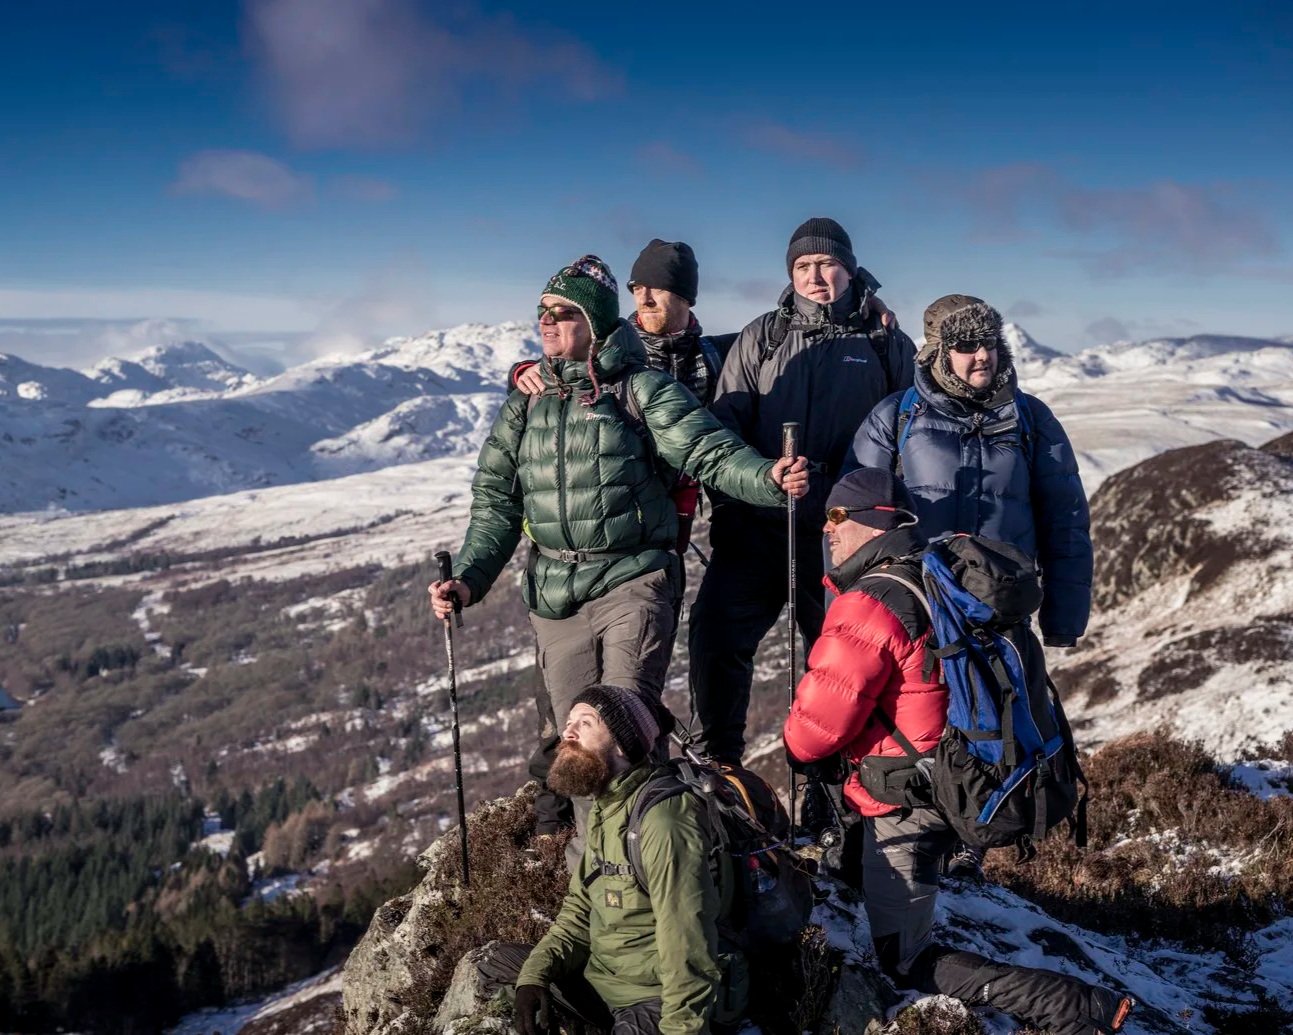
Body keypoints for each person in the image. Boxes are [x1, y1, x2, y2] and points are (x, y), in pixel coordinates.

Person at [430, 254, 809, 852]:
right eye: (542, 311)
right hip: (555, 596)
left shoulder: (642, 388)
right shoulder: (526, 403)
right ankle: (596, 872)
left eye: (563, 311)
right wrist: (470, 579)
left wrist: (767, 478)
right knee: (575, 748)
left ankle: (661, 863)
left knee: (619, 728)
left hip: (633, 580)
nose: (547, 321)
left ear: (595, 321)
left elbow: (708, 451)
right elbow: (496, 502)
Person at [782, 469, 1134, 1035]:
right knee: (856, 876)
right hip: (963, 780)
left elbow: (812, 733)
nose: (828, 529)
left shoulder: (869, 603)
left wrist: (802, 751)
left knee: (905, 960)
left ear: (872, 522)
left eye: (838, 516)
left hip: (907, 805)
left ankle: (1072, 1006)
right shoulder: (937, 575)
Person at [845, 294, 1093, 876]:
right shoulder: (895, 417)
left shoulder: (1030, 418)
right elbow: (856, 515)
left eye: (990, 342)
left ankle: (972, 839)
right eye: (965, 344)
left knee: (990, 720)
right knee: (916, 716)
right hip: (919, 597)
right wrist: (854, 600)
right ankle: (900, 837)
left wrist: (1064, 615)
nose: (982, 355)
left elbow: (1065, 519)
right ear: (937, 351)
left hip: (1000, 602)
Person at [689, 217, 916, 766]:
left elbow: (911, 436)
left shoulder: (885, 343)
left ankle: (835, 784)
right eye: (803, 266)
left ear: (850, 270)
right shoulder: (761, 337)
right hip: (758, 526)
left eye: (827, 263)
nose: (815, 276)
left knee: (844, 667)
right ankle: (721, 764)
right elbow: (723, 429)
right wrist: (745, 497)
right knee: (717, 637)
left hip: (847, 539)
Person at [475, 684, 722, 1035]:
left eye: (585, 723)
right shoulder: (606, 808)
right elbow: (579, 911)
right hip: (605, 981)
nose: (567, 732)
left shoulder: (663, 821)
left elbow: (688, 942)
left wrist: (682, 1028)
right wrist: (534, 978)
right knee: (496, 963)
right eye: (569, 722)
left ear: (621, 745)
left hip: (653, 995)